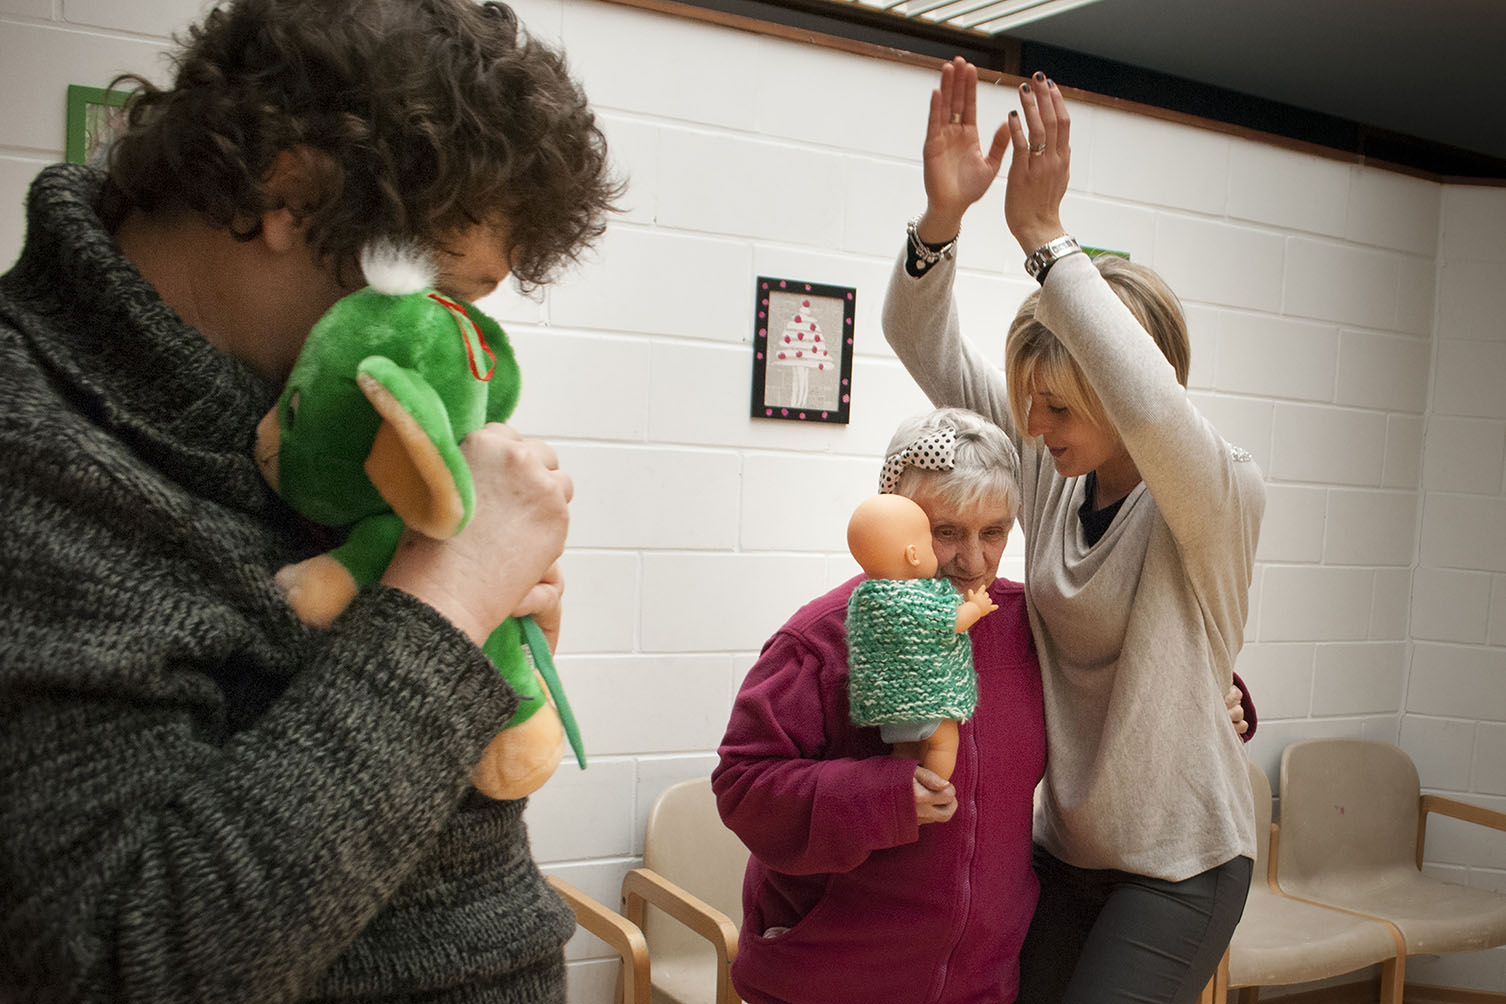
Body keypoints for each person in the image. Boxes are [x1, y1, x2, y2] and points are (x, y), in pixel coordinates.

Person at [0, 1, 618, 1001]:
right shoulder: (36, 444)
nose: (453, 341)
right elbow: (125, 955)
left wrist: (486, 672)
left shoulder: (312, 414)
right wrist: (443, 610)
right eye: (442, 290)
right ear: (290, 191)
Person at [883, 58, 1265, 1003]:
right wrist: (941, 222)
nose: (1033, 429)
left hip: (1183, 863)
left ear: (1119, 396)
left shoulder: (1216, 498)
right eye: (1029, 407)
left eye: (1057, 407)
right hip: (1071, 845)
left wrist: (1049, 240)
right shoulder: (1054, 474)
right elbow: (918, 341)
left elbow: (1158, 410)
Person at [715, 407, 1046, 1004]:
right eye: (947, 532)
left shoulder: (1029, 625)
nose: (973, 561)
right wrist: (881, 797)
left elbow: (1121, 663)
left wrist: (1218, 692)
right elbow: (742, 785)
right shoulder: (820, 639)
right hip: (827, 982)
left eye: (994, 532)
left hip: (983, 986)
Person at [845, 492, 999, 781]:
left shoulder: (862, 601)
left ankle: (904, 781)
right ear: (913, 555)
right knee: (943, 744)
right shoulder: (920, 598)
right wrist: (975, 608)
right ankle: (936, 784)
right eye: (932, 542)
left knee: (904, 750)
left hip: (887, 708)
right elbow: (951, 621)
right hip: (928, 702)